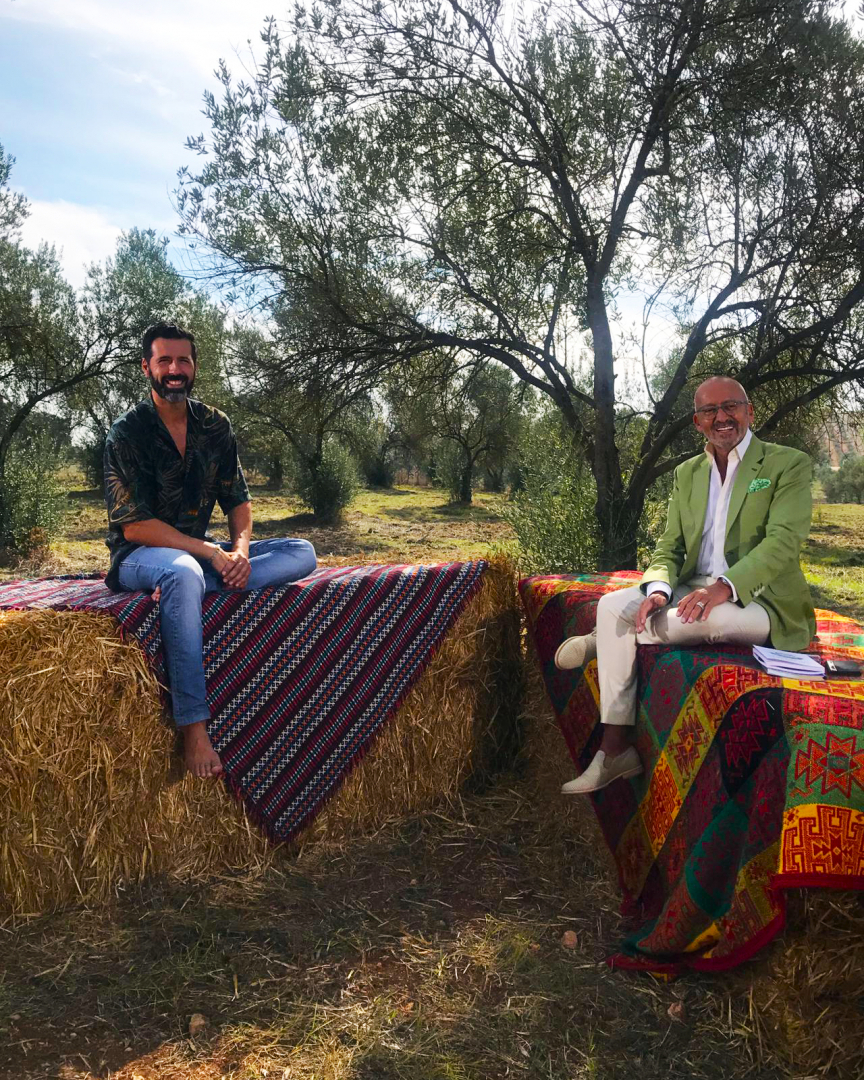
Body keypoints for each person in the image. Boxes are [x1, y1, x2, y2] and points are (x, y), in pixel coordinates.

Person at [554, 375, 815, 794]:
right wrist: (658, 589)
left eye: (730, 406)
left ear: (750, 411)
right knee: (610, 606)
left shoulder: (788, 463)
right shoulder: (688, 473)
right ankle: (616, 750)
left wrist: (724, 587)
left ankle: (604, 641)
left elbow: (783, 542)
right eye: (709, 411)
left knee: (701, 624)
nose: (722, 417)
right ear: (698, 423)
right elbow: (670, 546)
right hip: (691, 585)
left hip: (761, 599)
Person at [103, 322, 317, 779]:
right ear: (147, 367)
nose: (174, 369)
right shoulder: (128, 432)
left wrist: (238, 551)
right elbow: (135, 525)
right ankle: (194, 730)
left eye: (183, 360)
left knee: (303, 553)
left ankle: (194, 588)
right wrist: (203, 552)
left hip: (198, 555)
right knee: (181, 570)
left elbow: (238, 500)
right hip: (138, 556)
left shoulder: (215, 425)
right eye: (165, 361)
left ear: (194, 366)